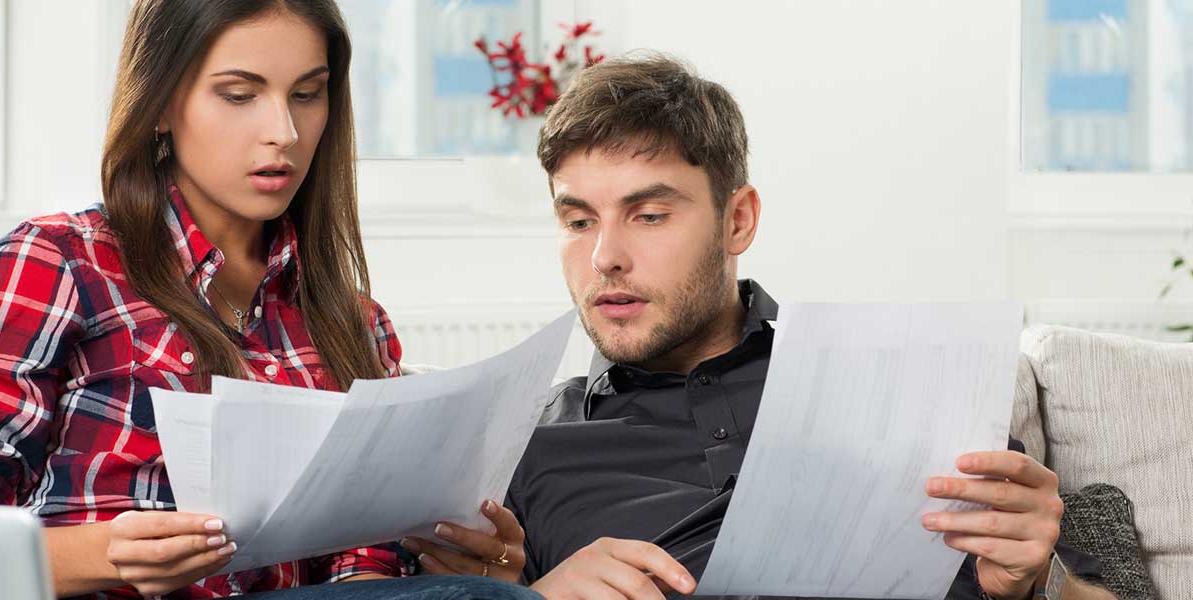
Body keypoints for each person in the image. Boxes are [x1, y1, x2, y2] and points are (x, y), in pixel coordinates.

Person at [405, 54, 1120, 600]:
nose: (605, 258)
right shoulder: (521, 451)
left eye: (649, 215)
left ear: (737, 220)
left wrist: (1035, 583)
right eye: (578, 220)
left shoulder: (910, 391)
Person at [0, 1, 531, 599]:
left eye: (307, 94)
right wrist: (104, 553)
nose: (283, 131)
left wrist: (458, 561)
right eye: (239, 94)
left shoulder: (354, 323)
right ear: (162, 102)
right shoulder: (62, 259)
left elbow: (361, 570)